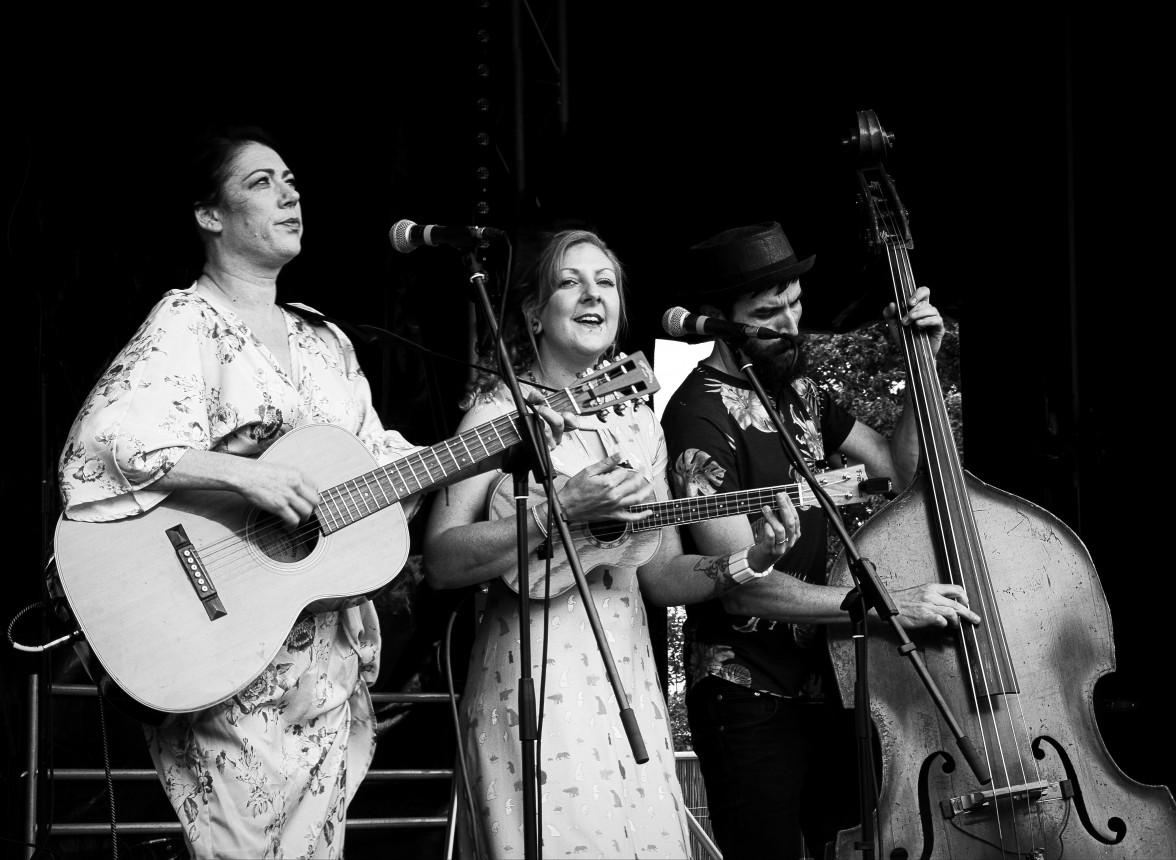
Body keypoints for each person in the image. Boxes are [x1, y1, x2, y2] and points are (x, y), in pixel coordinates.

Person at [53, 126, 570, 859]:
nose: (290, 192)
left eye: (291, 179)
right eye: (261, 182)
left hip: (322, 663)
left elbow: (382, 468)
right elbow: (105, 445)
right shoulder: (187, 323)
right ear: (210, 216)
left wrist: (496, 437)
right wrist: (246, 475)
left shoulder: (328, 341)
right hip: (223, 645)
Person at [422, 227, 804, 859]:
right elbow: (440, 559)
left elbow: (659, 576)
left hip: (626, 677)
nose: (591, 294)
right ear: (532, 313)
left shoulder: (637, 424)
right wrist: (562, 511)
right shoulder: (496, 414)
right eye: (569, 282)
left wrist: (750, 559)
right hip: (534, 682)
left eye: (605, 282)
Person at [659, 222, 982, 860]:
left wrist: (921, 368)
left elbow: (901, 468)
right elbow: (740, 592)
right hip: (745, 692)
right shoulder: (699, 416)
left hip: (826, 677)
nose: (790, 322)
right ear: (722, 322)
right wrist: (877, 607)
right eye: (767, 312)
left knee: (851, 845)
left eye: (796, 303)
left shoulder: (802, 394)